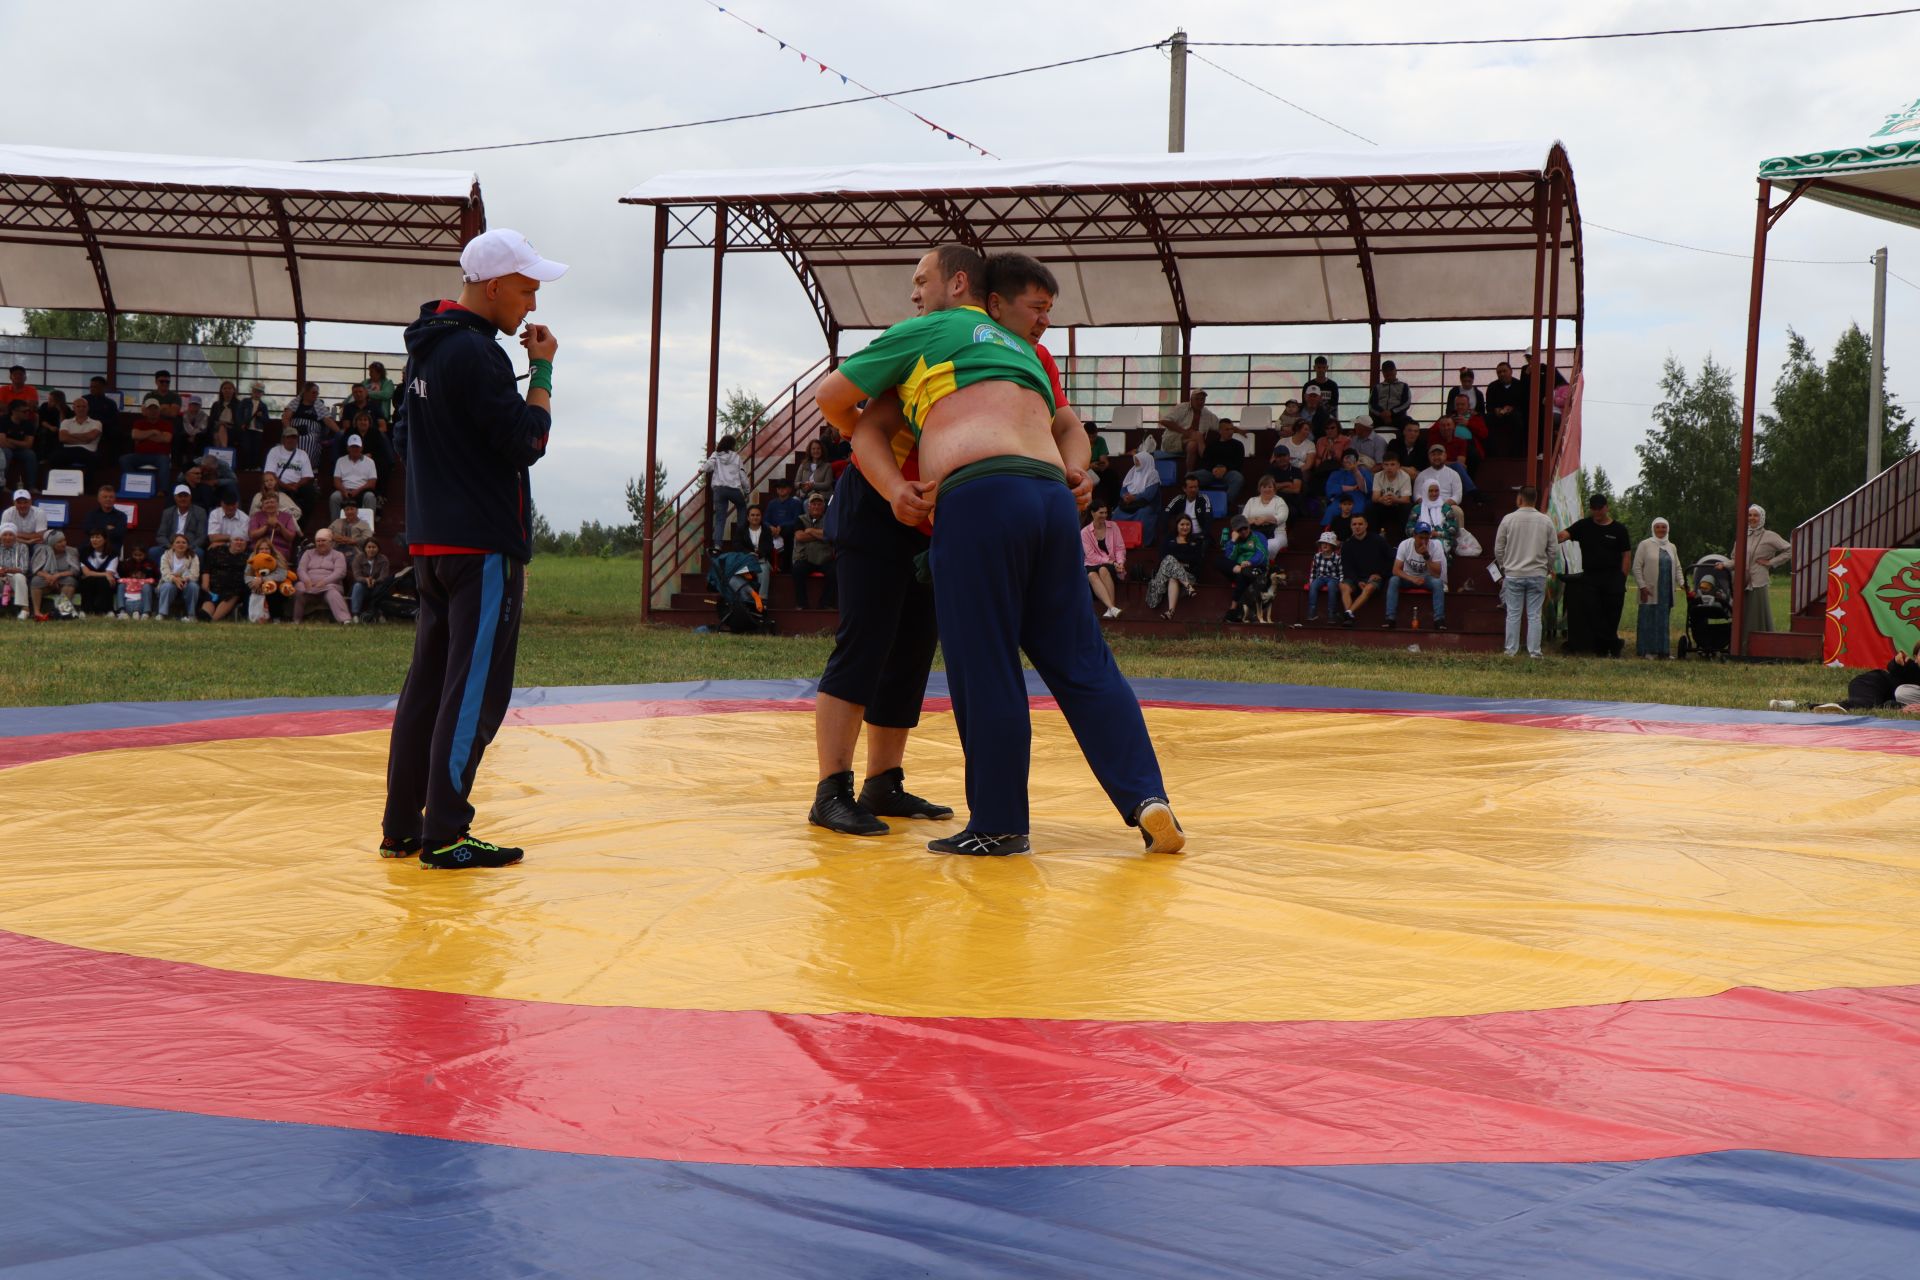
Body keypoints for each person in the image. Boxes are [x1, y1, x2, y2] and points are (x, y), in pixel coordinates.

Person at [817, 249, 1181, 857]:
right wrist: (1078, 469)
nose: (913, 293)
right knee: (1083, 661)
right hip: (1046, 499)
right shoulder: (1026, 355)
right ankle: (1147, 796)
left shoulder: (933, 330)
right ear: (1000, 305)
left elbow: (837, 403)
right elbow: (1069, 428)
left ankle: (999, 821)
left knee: (983, 662)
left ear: (962, 287)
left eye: (921, 281)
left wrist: (896, 488)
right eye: (1036, 308)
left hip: (973, 497)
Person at [380, 227, 564, 869]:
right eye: (525, 287)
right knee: (474, 691)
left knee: (427, 686)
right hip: (482, 545)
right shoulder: (478, 356)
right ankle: (447, 831)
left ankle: (403, 826)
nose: (532, 303)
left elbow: (402, 439)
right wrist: (541, 371)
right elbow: (528, 441)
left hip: (432, 543)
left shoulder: (425, 349)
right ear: (493, 286)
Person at [1559, 493, 1632, 656]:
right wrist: (1545, 537)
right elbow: (1563, 535)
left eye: (1600, 510)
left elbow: (1626, 554)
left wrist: (1622, 577)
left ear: (1607, 507)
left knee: (1612, 614)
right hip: (1591, 577)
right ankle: (1613, 645)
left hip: (1614, 577)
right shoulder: (1583, 526)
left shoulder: (1619, 530)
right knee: (1593, 613)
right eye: (1594, 510)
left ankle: (1606, 648)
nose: (1597, 513)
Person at [1493, 485, 1556, 658]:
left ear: (1520, 498)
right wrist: (1547, 567)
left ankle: (1511, 650)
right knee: (1534, 614)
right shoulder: (1546, 521)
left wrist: (1504, 566)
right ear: (1535, 499)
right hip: (1537, 573)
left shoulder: (1508, 519)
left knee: (1513, 614)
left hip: (1514, 573)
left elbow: (1499, 548)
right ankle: (1534, 652)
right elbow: (1552, 550)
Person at [1633, 517, 1685, 658]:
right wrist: (1642, 586)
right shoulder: (1645, 545)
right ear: (1653, 529)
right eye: (1658, 527)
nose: (1661, 530)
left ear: (1667, 529)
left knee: (1663, 620)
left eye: (1664, 527)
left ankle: (1663, 651)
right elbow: (1637, 567)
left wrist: (1682, 582)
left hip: (1666, 590)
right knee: (1648, 619)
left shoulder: (1671, 546)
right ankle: (1648, 651)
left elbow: (1678, 567)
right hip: (1649, 590)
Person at [1811, 650, 1920, 713]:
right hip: (1870, 683)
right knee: (1867, 704)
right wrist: (1896, 661)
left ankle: (1820, 706)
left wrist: (1899, 707)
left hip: (1883, 699)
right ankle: (1817, 706)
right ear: (1915, 658)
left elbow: (1890, 704)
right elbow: (1894, 669)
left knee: (1878, 706)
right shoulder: (1913, 668)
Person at [1742, 504, 1792, 641]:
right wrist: (1723, 565)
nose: (1752, 518)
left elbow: (1790, 550)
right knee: (1743, 614)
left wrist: (1771, 562)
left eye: (1755, 515)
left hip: (1758, 581)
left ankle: (1760, 644)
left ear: (1762, 518)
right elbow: (1735, 558)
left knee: (1756, 614)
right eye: (1750, 515)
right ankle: (1742, 646)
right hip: (1742, 582)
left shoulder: (1770, 536)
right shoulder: (1742, 536)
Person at [1385, 522, 1447, 630]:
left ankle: (1439, 620)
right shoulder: (1405, 544)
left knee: (1438, 583)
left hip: (1426, 578)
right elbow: (1395, 570)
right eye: (1420, 537)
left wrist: (1426, 557)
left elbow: (1437, 574)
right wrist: (1412, 578)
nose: (1423, 541)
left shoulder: (1435, 546)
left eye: (1426, 538)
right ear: (1414, 536)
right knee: (1394, 580)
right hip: (1408, 577)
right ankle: (1390, 619)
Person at [1144, 513, 1203, 620]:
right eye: (1182, 524)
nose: (1185, 527)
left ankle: (1171, 611)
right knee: (1169, 559)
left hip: (1188, 575)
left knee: (1173, 577)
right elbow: (1163, 556)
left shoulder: (1196, 541)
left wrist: (1178, 561)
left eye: (1188, 524)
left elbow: (1197, 559)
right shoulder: (1168, 539)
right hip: (1165, 575)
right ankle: (1188, 587)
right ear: (1177, 525)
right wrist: (1179, 561)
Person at [1338, 513, 1391, 626]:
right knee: (1343, 586)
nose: (1357, 527)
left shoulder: (1378, 540)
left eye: (1360, 524)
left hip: (1374, 577)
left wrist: (1380, 573)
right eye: (1354, 524)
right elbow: (1346, 567)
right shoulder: (1347, 545)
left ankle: (1348, 614)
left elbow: (1390, 559)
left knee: (1369, 588)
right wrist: (1357, 581)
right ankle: (1349, 614)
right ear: (1351, 526)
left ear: (1366, 525)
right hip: (1355, 578)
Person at [698, 433, 749, 550]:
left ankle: (717, 545)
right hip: (733, 489)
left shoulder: (715, 455)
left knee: (720, 518)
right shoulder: (736, 457)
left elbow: (709, 465)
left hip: (719, 489)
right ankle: (739, 539)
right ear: (732, 445)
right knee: (742, 507)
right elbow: (742, 475)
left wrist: (701, 470)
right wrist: (746, 491)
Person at [788, 489, 836, 608]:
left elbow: (831, 536)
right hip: (805, 558)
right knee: (797, 570)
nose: (816, 506)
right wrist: (820, 535)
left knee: (835, 571)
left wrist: (810, 531)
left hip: (825, 558)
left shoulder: (830, 519)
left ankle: (825, 604)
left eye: (819, 504)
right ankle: (802, 604)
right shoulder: (800, 519)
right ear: (808, 506)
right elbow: (799, 536)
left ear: (823, 507)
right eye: (813, 504)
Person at [293, 529, 352, 623]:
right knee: (299, 588)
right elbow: (301, 570)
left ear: (330, 542)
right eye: (318, 541)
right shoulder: (308, 553)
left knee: (333, 592)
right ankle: (296, 620)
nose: (320, 543)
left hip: (329, 586)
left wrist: (324, 582)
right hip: (309, 587)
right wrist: (307, 581)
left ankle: (345, 620)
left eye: (323, 541)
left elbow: (340, 572)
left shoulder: (338, 555)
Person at [1081, 501, 1126, 619]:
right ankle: (1112, 607)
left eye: (1106, 513)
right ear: (1092, 513)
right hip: (1092, 563)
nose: (1104, 515)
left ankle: (1110, 608)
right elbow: (1091, 556)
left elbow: (1120, 548)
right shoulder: (1085, 532)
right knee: (1091, 575)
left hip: (1111, 564)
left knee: (1103, 570)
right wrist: (1111, 562)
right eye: (1101, 513)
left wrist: (1120, 562)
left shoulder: (1113, 526)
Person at [1220, 514, 1268, 622]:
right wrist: (1232, 542)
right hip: (1238, 568)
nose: (1243, 531)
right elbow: (1229, 558)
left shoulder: (1258, 536)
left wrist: (1250, 562)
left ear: (1249, 526)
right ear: (1235, 531)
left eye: (1245, 528)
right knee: (1219, 561)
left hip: (1256, 568)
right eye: (1239, 529)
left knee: (1243, 574)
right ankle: (1235, 612)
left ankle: (1233, 609)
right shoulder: (1235, 541)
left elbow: (1262, 554)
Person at [729, 503, 778, 602]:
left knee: (763, 569)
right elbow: (736, 545)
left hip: (761, 560)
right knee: (733, 577)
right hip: (745, 560)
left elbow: (769, 546)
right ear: (748, 517)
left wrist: (758, 554)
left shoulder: (766, 530)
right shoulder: (741, 530)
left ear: (761, 517)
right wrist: (748, 553)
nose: (755, 517)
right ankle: (746, 599)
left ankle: (762, 600)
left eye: (757, 515)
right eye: (752, 515)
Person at [1195, 417, 1246, 508]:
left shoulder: (1238, 445)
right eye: (1227, 429)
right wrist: (1213, 469)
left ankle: (1224, 504)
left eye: (1231, 429)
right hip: (1211, 473)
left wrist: (1225, 469)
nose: (1230, 432)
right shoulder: (1212, 445)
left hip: (1229, 472)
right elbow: (1205, 461)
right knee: (1190, 477)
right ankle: (1197, 503)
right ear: (1220, 431)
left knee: (1238, 478)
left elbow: (1239, 464)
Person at [1157, 389, 1217, 467]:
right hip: (1172, 441)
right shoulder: (1182, 407)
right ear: (1191, 400)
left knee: (1194, 442)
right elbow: (1163, 421)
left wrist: (1236, 430)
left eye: (1202, 399)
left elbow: (1220, 425)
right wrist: (1186, 432)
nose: (1200, 402)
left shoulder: (1207, 414)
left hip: (1192, 443)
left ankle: (1189, 474)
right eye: (1197, 399)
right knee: (1197, 438)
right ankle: (1204, 466)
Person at [49, 394, 103, 481]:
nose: (81, 409)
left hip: (88, 452)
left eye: (84, 406)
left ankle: (86, 488)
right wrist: (84, 437)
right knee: (54, 458)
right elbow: (63, 438)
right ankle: (59, 483)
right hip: (68, 451)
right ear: (73, 408)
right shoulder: (66, 422)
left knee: (95, 460)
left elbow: (90, 437)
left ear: (88, 408)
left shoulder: (96, 423)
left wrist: (71, 436)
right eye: (78, 406)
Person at [199, 532, 250, 622]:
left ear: (246, 543)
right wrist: (205, 582)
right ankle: (205, 616)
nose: (239, 542)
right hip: (214, 587)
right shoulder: (217, 551)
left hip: (234, 589)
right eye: (236, 540)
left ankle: (213, 620)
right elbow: (207, 568)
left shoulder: (249, 555)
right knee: (209, 600)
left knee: (232, 594)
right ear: (230, 542)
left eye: (242, 540)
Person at [263, 425, 318, 509]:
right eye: (288, 437)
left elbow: (307, 476)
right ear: (283, 439)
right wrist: (286, 486)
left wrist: (296, 485)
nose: (291, 440)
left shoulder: (303, 453)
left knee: (311, 492)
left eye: (294, 438)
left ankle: (302, 521)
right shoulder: (274, 451)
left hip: (297, 485)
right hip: (279, 484)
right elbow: (270, 473)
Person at [30, 530, 81, 618]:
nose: (63, 543)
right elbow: (36, 569)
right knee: (36, 581)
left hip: (62, 579)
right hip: (47, 580)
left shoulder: (72, 551)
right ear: (52, 544)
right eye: (59, 542)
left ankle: (63, 612)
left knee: (70, 581)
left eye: (64, 540)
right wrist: (48, 576)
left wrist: (57, 576)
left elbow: (75, 570)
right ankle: (37, 612)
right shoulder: (42, 551)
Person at [150, 484, 207, 562]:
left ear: (190, 497)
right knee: (154, 551)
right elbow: (161, 535)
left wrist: (188, 547)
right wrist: (171, 547)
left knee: (199, 553)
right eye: (180, 496)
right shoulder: (167, 512)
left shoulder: (200, 512)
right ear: (175, 498)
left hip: (190, 547)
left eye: (186, 496)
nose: (183, 499)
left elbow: (202, 536)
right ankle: (163, 574)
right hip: (171, 546)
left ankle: (191, 574)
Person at [1116, 442, 1162, 538]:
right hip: (1130, 503)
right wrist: (1125, 496)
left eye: (1138, 461)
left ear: (1145, 461)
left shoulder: (1153, 474)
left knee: (1143, 513)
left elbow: (1149, 495)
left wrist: (1134, 498)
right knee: (1117, 512)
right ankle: (1118, 541)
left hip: (1146, 504)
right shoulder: (1133, 471)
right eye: (1135, 460)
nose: (1136, 463)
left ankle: (1142, 542)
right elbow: (1124, 488)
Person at [330, 433, 380, 521]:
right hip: (345, 490)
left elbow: (372, 483)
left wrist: (358, 490)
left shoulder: (370, 462)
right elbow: (336, 481)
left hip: (362, 491)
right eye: (352, 447)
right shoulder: (340, 460)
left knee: (370, 496)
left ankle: (369, 527)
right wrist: (344, 491)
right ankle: (336, 526)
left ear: (361, 447)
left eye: (357, 447)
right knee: (335, 497)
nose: (355, 449)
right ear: (348, 448)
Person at [1298, 530, 1344, 625]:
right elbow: (1314, 570)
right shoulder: (1317, 556)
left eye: (1327, 543)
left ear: (1332, 546)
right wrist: (1311, 581)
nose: (1324, 545)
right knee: (1314, 586)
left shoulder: (1337, 558)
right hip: (1320, 577)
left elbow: (1340, 571)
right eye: (1323, 543)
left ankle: (1331, 612)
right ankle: (1312, 612)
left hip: (1333, 578)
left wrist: (1341, 582)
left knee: (1331, 586)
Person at [1410, 478, 1465, 557]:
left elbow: (1453, 529)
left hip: (1442, 539)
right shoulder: (1417, 509)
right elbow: (1409, 528)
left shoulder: (1446, 508)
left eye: (1436, 491)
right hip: (1420, 538)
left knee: (1439, 546)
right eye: (1431, 491)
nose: (1434, 493)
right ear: (1425, 491)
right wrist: (1422, 535)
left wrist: (1437, 534)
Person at [244, 535, 290, 623]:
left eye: (267, 548)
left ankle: (276, 618)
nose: (264, 551)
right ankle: (251, 616)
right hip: (256, 586)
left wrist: (263, 580)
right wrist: (253, 584)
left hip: (276, 586)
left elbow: (282, 575)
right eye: (261, 549)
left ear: (271, 550)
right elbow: (247, 575)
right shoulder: (253, 558)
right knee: (246, 591)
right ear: (257, 550)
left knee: (272, 592)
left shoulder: (277, 558)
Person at [1242, 472, 1289, 558]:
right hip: (1254, 533)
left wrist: (1266, 519)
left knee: (1270, 545)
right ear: (1260, 489)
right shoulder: (1252, 501)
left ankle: (1266, 566)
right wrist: (1252, 520)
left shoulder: (1279, 501)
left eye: (1270, 487)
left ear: (1274, 489)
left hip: (1276, 534)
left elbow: (1282, 517)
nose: (1267, 489)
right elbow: (1243, 519)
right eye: (1264, 487)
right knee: (1245, 545)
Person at [1160, 473, 1212, 547]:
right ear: (1184, 489)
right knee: (1165, 543)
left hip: (1198, 535)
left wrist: (1204, 535)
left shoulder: (1204, 499)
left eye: (1196, 487)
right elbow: (1166, 512)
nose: (1194, 490)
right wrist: (1167, 532)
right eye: (1191, 487)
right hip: (1181, 534)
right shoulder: (1179, 499)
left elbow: (1208, 518)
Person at [762, 476, 803, 567]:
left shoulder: (796, 503)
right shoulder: (772, 503)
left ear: (789, 489)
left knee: (788, 533)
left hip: (788, 532)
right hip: (773, 531)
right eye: (779, 487)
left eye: (783, 487)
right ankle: (768, 564)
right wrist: (771, 527)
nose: (781, 489)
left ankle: (786, 567)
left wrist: (781, 526)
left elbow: (797, 520)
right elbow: (765, 520)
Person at [1485, 360, 1526, 452]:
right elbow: (1488, 406)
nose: (1502, 374)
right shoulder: (1492, 386)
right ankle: (1491, 451)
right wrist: (1496, 410)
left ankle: (1518, 451)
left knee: (1518, 418)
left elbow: (1524, 404)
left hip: (1515, 414)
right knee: (1487, 418)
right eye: (1499, 372)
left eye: (1504, 371)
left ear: (1510, 371)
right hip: (1497, 414)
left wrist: (1512, 408)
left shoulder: (1519, 385)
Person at [351, 537, 394, 620]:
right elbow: (357, 576)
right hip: (363, 586)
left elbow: (383, 576)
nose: (371, 550)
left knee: (383, 587)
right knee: (357, 586)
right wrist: (366, 580)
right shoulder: (358, 558)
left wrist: (375, 581)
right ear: (365, 548)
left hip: (377, 585)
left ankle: (379, 613)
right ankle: (355, 614)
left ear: (378, 549)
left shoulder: (383, 559)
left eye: (374, 547)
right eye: (369, 547)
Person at [1323, 450, 1370, 525]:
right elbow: (1330, 488)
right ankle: (1328, 534)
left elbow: (1365, 488)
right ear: (1342, 461)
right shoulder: (1336, 473)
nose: (1349, 460)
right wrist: (1351, 488)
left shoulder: (1363, 472)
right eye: (1346, 458)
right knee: (1331, 510)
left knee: (1358, 509)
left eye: (1351, 458)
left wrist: (1355, 471)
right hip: (1340, 498)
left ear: (1357, 461)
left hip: (1358, 497)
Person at [77, 529, 118, 617]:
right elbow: (86, 573)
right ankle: (85, 610)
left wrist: (106, 575)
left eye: (97, 537)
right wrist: (104, 574)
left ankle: (108, 610)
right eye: (92, 537)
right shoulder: (84, 552)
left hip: (106, 581)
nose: (94, 540)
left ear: (105, 539)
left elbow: (109, 574)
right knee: (88, 580)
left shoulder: (112, 553)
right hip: (90, 578)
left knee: (104, 582)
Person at [2, 400, 40, 489]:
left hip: (20, 450)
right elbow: (2, 442)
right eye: (24, 411)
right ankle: (2, 485)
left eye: (28, 411)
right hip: (5, 448)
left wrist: (11, 440)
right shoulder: (3, 420)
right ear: (14, 411)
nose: (27, 413)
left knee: (30, 454)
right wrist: (20, 444)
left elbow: (29, 445)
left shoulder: (28, 424)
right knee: (6, 453)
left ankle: (32, 487)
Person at [1369, 455, 1413, 531]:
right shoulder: (1378, 476)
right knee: (1371, 507)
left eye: (1392, 464)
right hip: (1383, 505)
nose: (1389, 468)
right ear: (1382, 466)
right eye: (1386, 464)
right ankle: (1374, 535)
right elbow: (1374, 497)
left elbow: (1406, 499)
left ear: (1398, 465)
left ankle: (1404, 535)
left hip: (1398, 506)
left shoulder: (1405, 476)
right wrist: (1381, 499)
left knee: (1407, 507)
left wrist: (1395, 499)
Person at [114, 542, 155, 618]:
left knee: (147, 586)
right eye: (135, 555)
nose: (138, 558)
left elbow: (155, 576)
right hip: (130, 585)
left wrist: (144, 575)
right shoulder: (128, 563)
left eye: (140, 555)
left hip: (144, 584)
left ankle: (146, 612)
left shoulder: (150, 563)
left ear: (145, 554)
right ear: (132, 554)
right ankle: (121, 610)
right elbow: (122, 575)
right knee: (121, 586)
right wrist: (131, 577)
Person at [1369, 360, 1413, 428]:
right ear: (1382, 373)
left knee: (1410, 423)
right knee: (1363, 422)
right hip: (1379, 417)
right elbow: (1371, 404)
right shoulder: (1377, 387)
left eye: (1391, 370)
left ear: (1396, 371)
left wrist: (1391, 413)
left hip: (1398, 417)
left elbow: (1406, 403)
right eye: (1386, 371)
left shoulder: (1404, 386)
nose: (1388, 372)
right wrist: (1382, 414)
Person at [0, 525, 30, 618]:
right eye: (5, 535)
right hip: (1, 577)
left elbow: (24, 568)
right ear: (1, 537)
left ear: (15, 537)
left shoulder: (22, 547)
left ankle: (25, 609)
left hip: (14, 577)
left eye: (11, 535)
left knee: (20, 577)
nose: (7, 537)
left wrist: (7, 570)